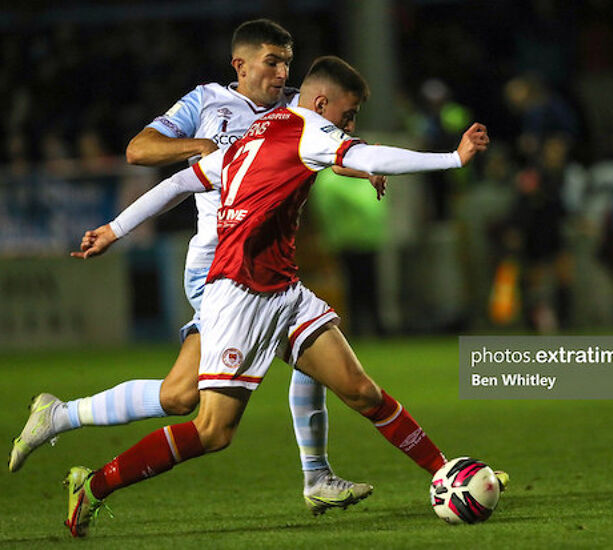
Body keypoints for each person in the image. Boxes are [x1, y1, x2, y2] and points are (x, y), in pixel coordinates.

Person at [62, 55, 502, 538]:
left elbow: (183, 181)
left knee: (360, 391)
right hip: (239, 293)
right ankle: (95, 484)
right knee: (213, 431)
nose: (350, 127)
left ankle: (443, 472)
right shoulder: (311, 127)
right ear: (321, 102)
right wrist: (453, 158)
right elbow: (370, 156)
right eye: (348, 115)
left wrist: (114, 228)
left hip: (283, 290)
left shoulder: (261, 130)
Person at [9, 19, 382, 516]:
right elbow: (139, 149)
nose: (281, 72)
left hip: (262, 262)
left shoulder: (294, 106)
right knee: (273, 363)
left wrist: (364, 165)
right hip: (217, 265)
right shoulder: (204, 102)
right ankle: (316, 476)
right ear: (240, 64)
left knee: (185, 393)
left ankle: (58, 416)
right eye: (272, 61)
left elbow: (328, 148)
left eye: (287, 62)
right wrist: (199, 147)